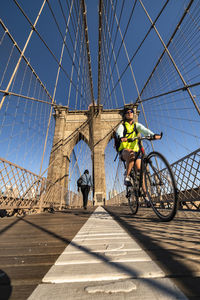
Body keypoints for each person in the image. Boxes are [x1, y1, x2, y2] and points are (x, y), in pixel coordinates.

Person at [115, 107, 162, 197]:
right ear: (124, 115)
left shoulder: (137, 125)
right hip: (124, 151)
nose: (130, 113)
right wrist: (121, 137)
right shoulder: (122, 126)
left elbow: (145, 130)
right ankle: (127, 177)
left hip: (136, 151)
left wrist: (153, 135)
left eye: (131, 111)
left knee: (141, 171)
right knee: (131, 154)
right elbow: (118, 133)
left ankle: (146, 195)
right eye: (127, 112)